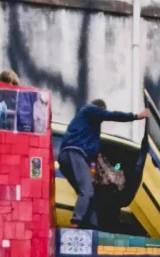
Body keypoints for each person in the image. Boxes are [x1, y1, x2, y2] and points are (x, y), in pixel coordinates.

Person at [58, 95, 140, 230]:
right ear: (100, 109)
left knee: (90, 196)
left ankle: (92, 227)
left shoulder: (90, 130)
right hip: (74, 153)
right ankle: (74, 225)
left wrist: (92, 172)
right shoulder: (90, 110)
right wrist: (135, 116)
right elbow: (111, 115)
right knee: (87, 191)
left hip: (72, 156)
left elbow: (93, 159)